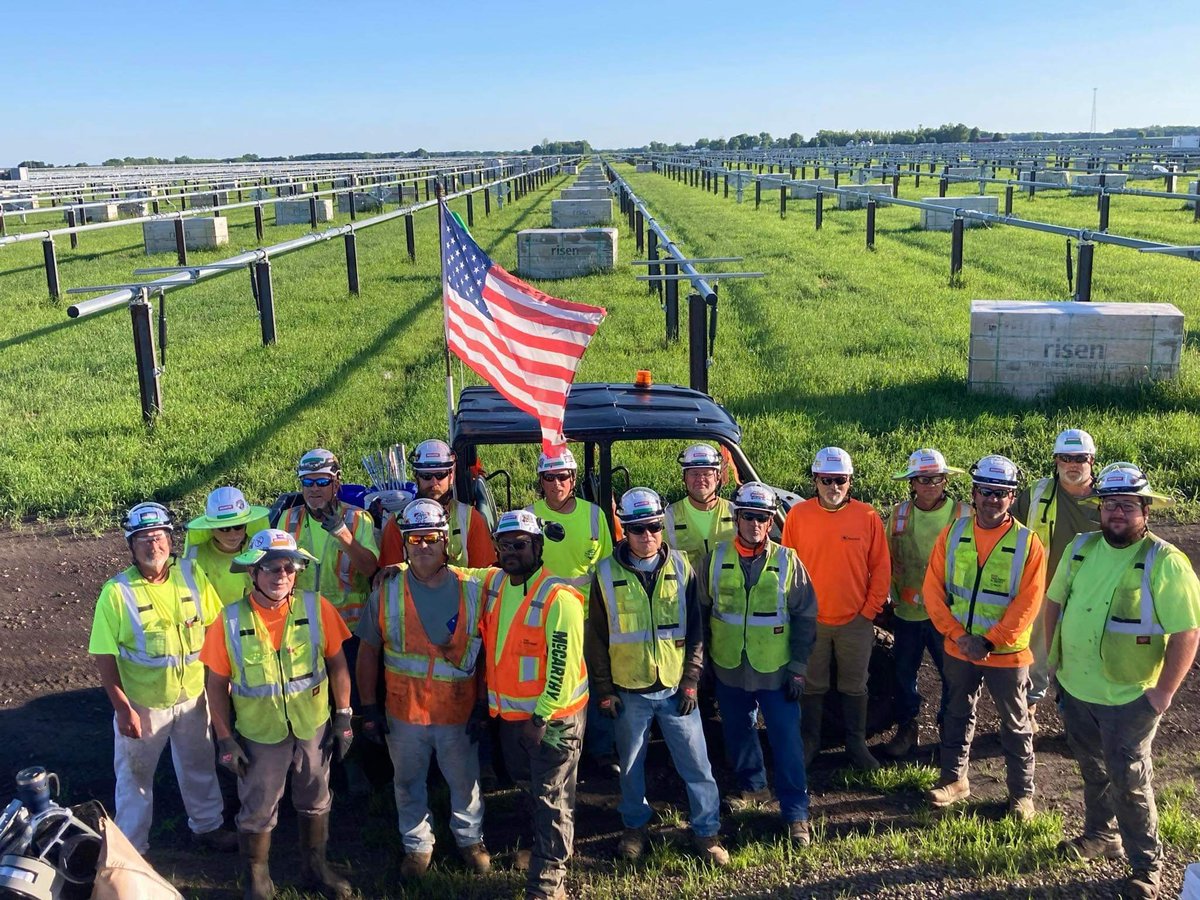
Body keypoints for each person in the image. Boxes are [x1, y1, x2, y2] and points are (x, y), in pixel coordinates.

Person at [1046, 463, 1200, 900]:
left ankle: (1147, 867)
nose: (1117, 512)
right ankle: (1101, 835)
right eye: (1110, 504)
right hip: (1076, 689)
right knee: (1093, 769)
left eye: (1128, 505)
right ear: (1099, 508)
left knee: (1129, 783)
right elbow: (1054, 602)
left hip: (1130, 697)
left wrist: (1162, 694)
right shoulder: (1081, 548)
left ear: (1145, 510)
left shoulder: (1164, 561)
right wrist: (1053, 664)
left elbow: (1188, 632)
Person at [201, 529, 354, 900]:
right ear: (253, 572)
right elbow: (215, 685)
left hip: (312, 727)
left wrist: (344, 716)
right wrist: (224, 739)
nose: (281, 575)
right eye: (271, 567)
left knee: (316, 797)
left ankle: (315, 869)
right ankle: (257, 880)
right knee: (257, 807)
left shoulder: (317, 608)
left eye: (289, 567)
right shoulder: (229, 621)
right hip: (260, 734)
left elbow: (337, 664)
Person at [585, 488, 729, 866]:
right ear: (624, 530)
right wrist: (604, 689)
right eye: (637, 529)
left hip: (675, 688)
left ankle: (707, 832)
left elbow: (696, 629)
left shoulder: (681, 568)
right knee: (631, 768)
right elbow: (596, 638)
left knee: (697, 766)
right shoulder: (604, 574)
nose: (647, 535)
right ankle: (635, 828)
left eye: (653, 526)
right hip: (628, 691)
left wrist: (692, 679)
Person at [88, 502, 236, 855]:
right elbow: (104, 655)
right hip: (144, 704)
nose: (152, 545)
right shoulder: (117, 592)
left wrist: (221, 680)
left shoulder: (192, 574)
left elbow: (215, 629)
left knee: (199, 765)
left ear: (170, 540)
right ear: (131, 545)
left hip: (193, 697)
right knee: (135, 778)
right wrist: (123, 709)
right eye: (143, 539)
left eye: (158, 537)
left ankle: (208, 827)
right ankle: (132, 850)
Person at [355, 499, 491, 879]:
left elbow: (486, 653)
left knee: (465, 782)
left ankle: (470, 840)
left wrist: (482, 704)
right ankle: (417, 846)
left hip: (457, 712)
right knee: (407, 782)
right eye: (415, 539)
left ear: (446, 541)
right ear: (405, 544)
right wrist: (369, 708)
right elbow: (367, 653)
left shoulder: (474, 588)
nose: (423, 546)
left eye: (431, 537)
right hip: (405, 713)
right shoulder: (386, 591)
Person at [923, 455, 1046, 820]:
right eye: (987, 491)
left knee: (1016, 724)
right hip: (959, 647)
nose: (993, 499)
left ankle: (1022, 795)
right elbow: (933, 589)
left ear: (1012, 498)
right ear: (974, 494)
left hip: (1006, 653)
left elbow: (1029, 601)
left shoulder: (1028, 543)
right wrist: (959, 635)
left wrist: (989, 641)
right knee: (956, 713)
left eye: (1001, 493)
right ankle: (954, 780)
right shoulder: (953, 533)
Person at [699, 482, 817, 846]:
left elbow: (805, 617)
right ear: (736, 518)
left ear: (770, 522)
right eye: (748, 516)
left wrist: (798, 667)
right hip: (729, 666)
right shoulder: (714, 559)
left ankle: (796, 813)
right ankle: (754, 788)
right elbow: (701, 613)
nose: (755, 524)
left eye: (762, 518)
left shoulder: (788, 561)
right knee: (738, 732)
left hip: (776, 670)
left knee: (787, 741)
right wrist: (701, 663)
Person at [482, 510, 588, 900]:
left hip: (552, 720)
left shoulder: (559, 598)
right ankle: (544, 850)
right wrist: (398, 567)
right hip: (514, 717)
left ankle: (548, 882)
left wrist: (541, 717)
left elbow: (562, 666)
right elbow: (459, 573)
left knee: (552, 799)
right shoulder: (496, 582)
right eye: (504, 545)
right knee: (535, 792)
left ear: (538, 547)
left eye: (520, 544)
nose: (511, 551)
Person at [781, 447, 890, 771]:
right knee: (812, 684)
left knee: (855, 685)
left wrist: (868, 611)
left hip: (855, 619)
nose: (833, 486)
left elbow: (881, 567)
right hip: (812, 620)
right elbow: (787, 567)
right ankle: (810, 741)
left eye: (840, 480)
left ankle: (856, 744)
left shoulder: (867, 517)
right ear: (815, 480)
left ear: (850, 481)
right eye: (826, 480)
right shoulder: (798, 516)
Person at [527, 448, 618, 776]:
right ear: (541, 481)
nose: (556, 484)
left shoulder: (594, 515)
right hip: (542, 618)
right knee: (551, 684)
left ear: (574, 478)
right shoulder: (528, 517)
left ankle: (602, 751)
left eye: (563, 476)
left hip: (587, 617)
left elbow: (606, 567)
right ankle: (555, 749)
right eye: (549, 477)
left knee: (595, 681)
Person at [881, 449, 973, 758]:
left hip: (948, 614)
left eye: (936, 479)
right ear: (912, 483)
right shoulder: (899, 515)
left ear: (946, 480)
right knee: (903, 674)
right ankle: (908, 728)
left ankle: (949, 730)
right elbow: (884, 558)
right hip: (908, 613)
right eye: (923, 479)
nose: (930, 485)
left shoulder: (964, 515)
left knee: (952, 676)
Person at [1014, 428, 1101, 733]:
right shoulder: (1037, 494)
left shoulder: (1108, 498)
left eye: (1080, 458)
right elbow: (1009, 531)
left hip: (1092, 597)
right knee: (1035, 658)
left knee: (1085, 659)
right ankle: (1027, 715)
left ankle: (1080, 725)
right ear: (1056, 460)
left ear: (1091, 460)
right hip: (1043, 592)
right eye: (1066, 457)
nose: (1073, 464)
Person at [377, 439, 495, 569]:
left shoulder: (470, 519)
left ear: (451, 475)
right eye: (426, 476)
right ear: (416, 477)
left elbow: (484, 574)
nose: (434, 483)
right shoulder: (398, 523)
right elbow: (391, 576)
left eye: (440, 475)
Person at [184, 486, 271, 606]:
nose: (232, 534)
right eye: (224, 528)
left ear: (246, 524)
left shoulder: (260, 551)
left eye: (238, 526)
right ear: (211, 528)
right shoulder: (195, 556)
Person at [664, 444, 735, 568]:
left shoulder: (735, 512)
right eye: (694, 473)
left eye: (707, 474)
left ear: (718, 477)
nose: (700, 479)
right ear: (684, 477)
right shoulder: (668, 516)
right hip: (687, 581)